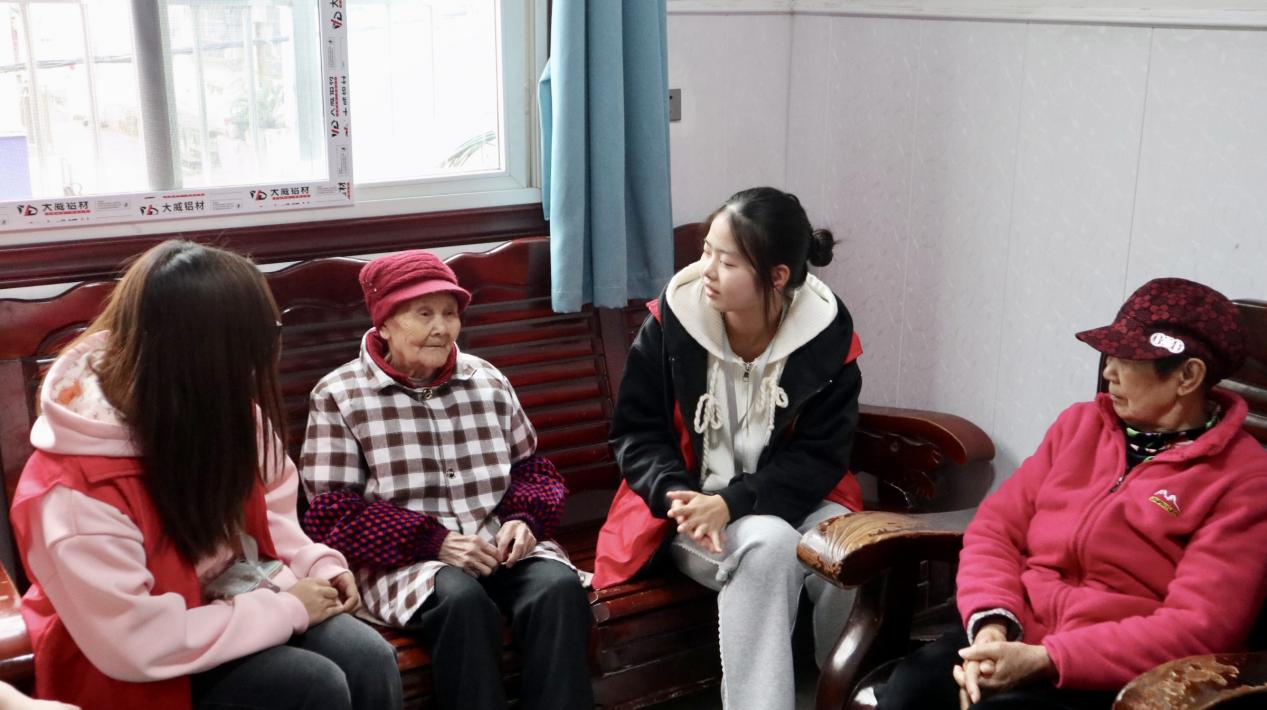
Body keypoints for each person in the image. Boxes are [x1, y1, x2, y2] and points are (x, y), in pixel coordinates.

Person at [10, 241, 402, 710]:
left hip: (235, 601)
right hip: (139, 654)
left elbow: (273, 514)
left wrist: (317, 566)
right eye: (254, 344)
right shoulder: (76, 488)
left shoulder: (225, 410)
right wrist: (288, 607)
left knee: (369, 656)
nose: (259, 365)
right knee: (313, 685)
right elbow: (137, 643)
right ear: (200, 355)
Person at [879, 278, 1267, 710]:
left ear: (1188, 376)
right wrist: (990, 625)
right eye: (1110, 356)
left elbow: (1200, 626)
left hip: (1116, 673)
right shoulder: (1078, 427)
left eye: (1127, 359)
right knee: (911, 690)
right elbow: (995, 531)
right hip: (1017, 629)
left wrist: (1048, 659)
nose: (1108, 372)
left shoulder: (1244, 477)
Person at [592, 186, 865, 710]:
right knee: (768, 545)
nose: (707, 270)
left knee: (852, 546)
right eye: (706, 252)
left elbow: (821, 455)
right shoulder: (672, 321)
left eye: (728, 261)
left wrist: (735, 502)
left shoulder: (826, 335)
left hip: (793, 497)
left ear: (777, 277)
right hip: (691, 507)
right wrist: (679, 495)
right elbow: (637, 433)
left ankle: (845, 698)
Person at [299, 250, 593, 710]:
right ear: (385, 323)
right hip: (408, 564)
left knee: (557, 588)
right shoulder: (339, 395)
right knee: (461, 601)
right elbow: (331, 515)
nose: (442, 327)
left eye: (450, 313)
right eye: (424, 314)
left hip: (498, 547)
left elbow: (531, 468)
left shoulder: (487, 379)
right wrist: (434, 542)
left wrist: (525, 520)